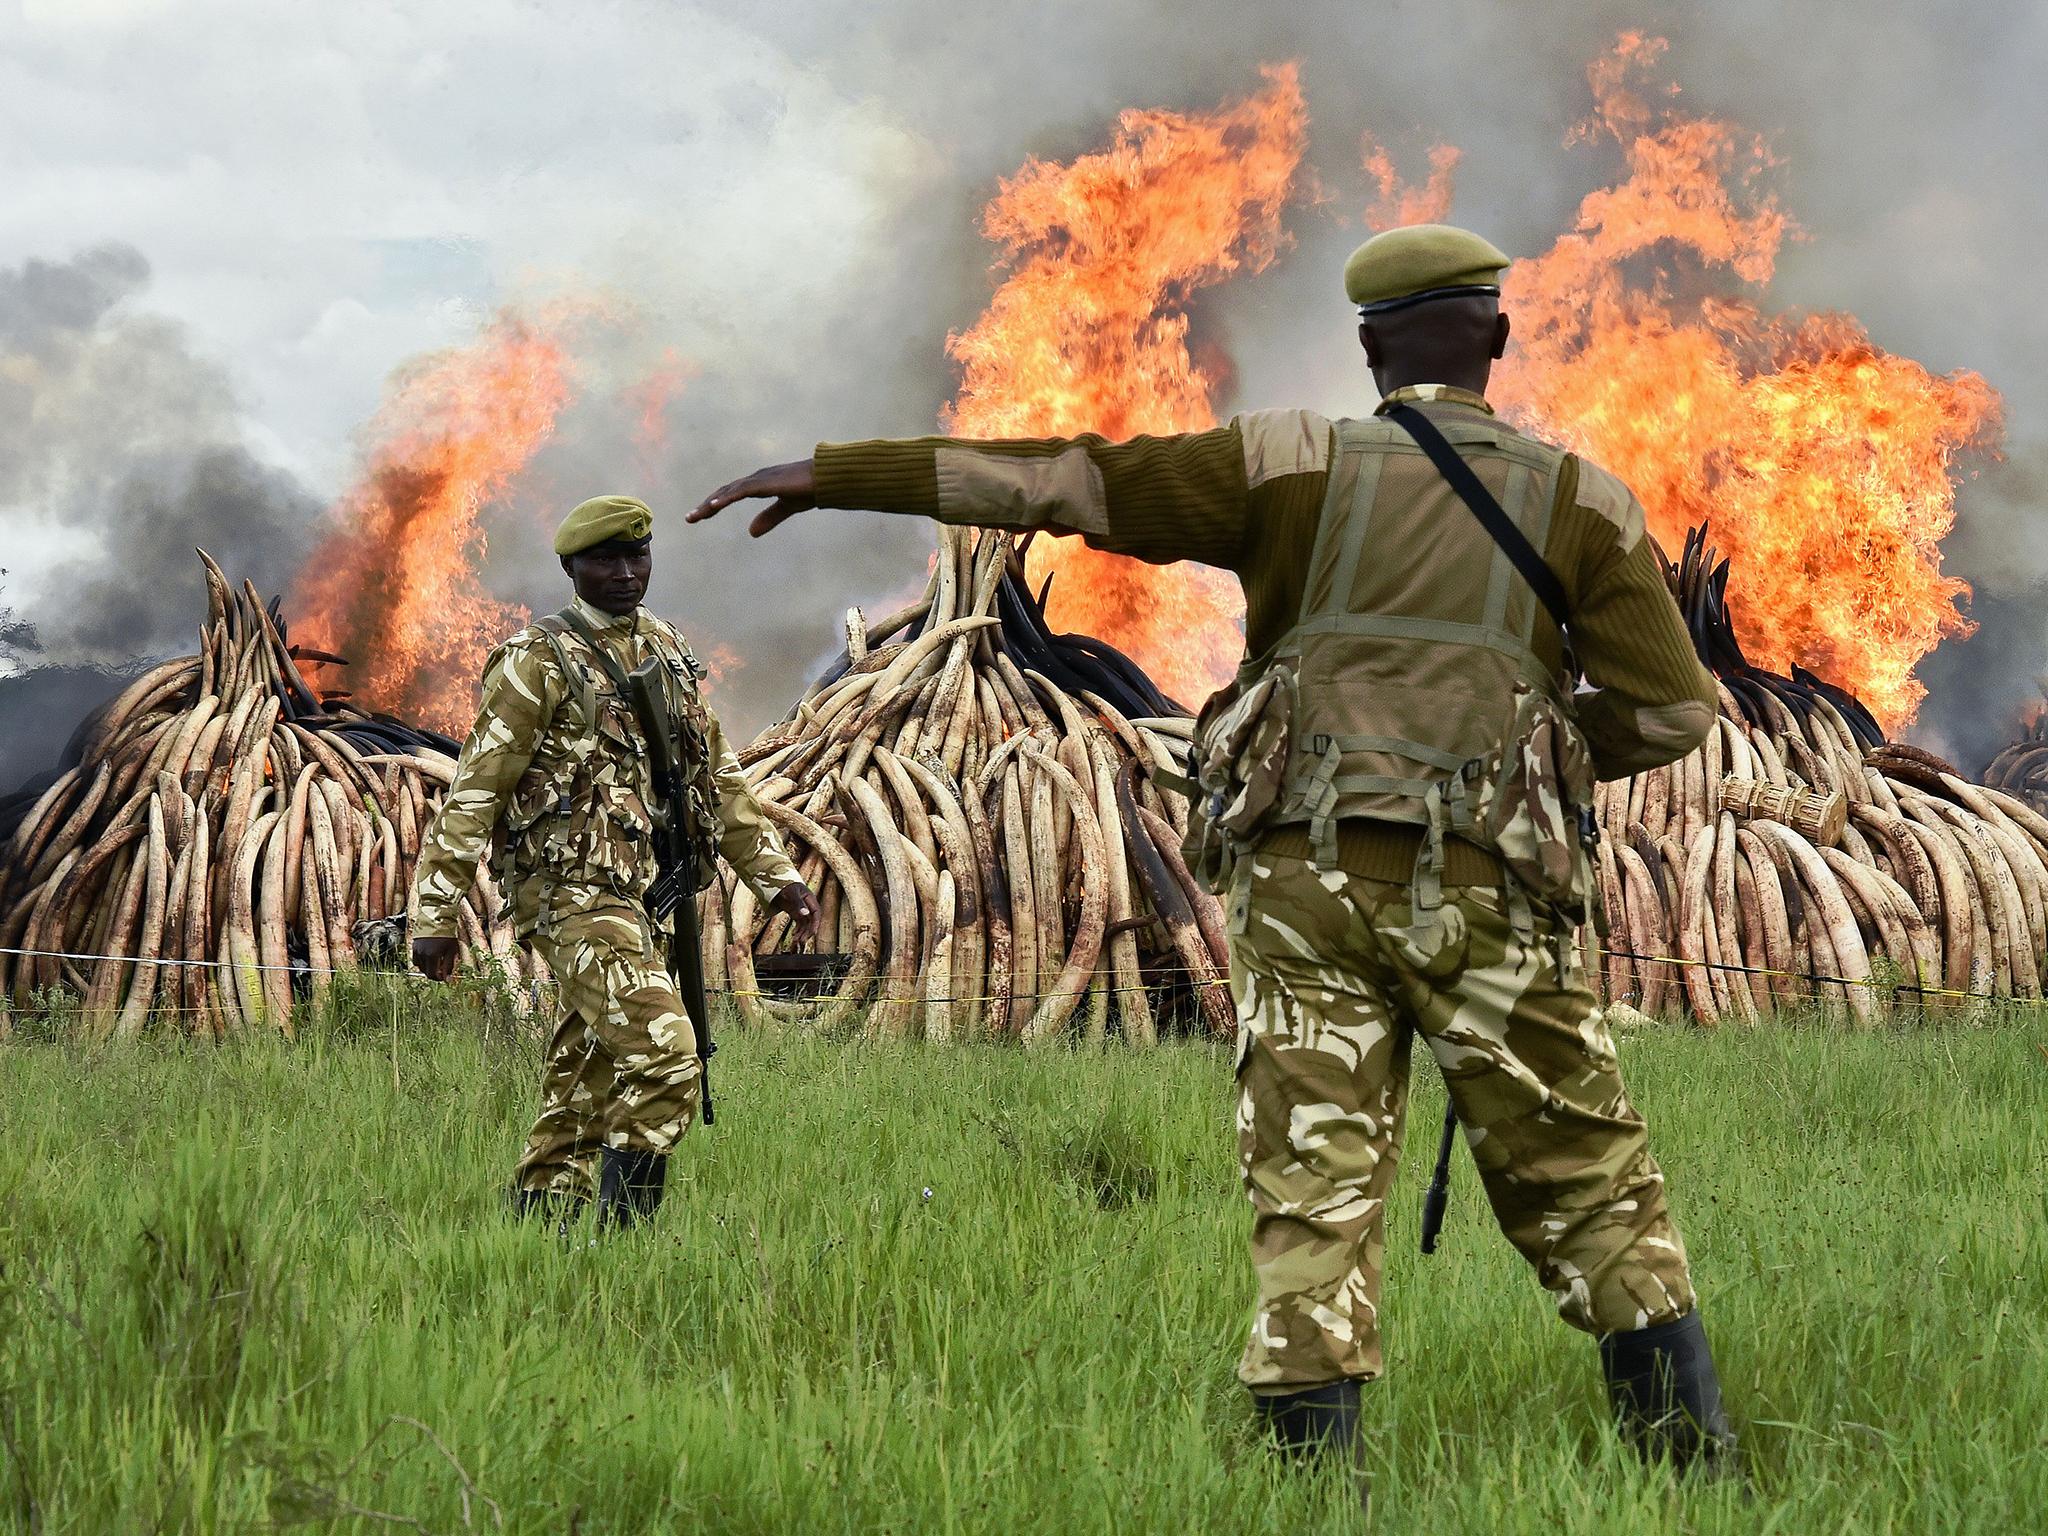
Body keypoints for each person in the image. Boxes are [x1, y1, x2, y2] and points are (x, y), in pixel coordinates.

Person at [687, 226, 1739, 1473]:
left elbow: (1061, 479)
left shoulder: (1281, 462)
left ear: (1364, 347)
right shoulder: (1578, 498)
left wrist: (834, 472)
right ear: (1496, 337)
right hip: (1482, 889)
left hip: (1301, 882)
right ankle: (1688, 1468)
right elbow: (1672, 713)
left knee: (1312, 1177)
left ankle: (1314, 1485)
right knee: (1583, 1165)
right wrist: (1538, 761)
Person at [410, 494, 820, 1228]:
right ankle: (622, 1242)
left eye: (638, 556)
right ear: (571, 567)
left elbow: (715, 775)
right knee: (666, 1055)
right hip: (569, 898)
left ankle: (541, 1227)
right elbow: (475, 791)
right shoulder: (537, 662)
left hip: (642, 896)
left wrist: (776, 875)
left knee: (585, 1072)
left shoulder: (662, 645)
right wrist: (436, 914)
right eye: (606, 559)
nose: (627, 573)